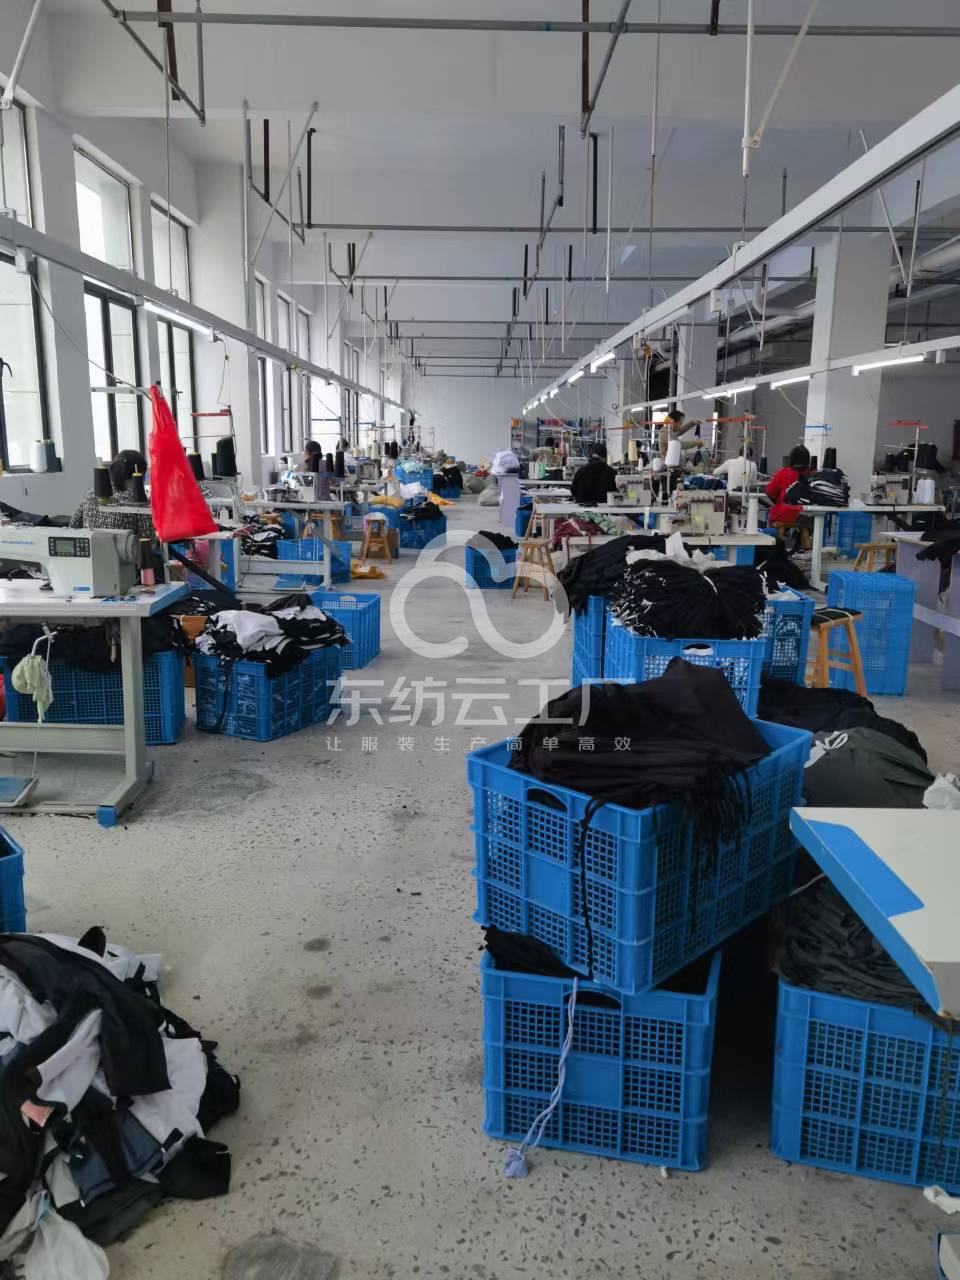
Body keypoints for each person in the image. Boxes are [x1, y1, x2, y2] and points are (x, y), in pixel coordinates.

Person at [70, 449, 153, 540]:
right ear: (137, 475)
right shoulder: (137, 499)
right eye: (143, 476)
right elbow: (148, 539)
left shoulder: (91, 493)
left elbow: (73, 526)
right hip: (122, 549)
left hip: (91, 548)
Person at [765, 444, 813, 528]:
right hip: (807, 517)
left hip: (784, 516)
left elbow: (770, 492)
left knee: (773, 515)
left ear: (791, 459)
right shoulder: (812, 474)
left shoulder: (783, 473)